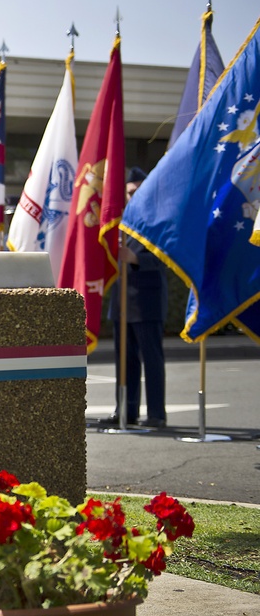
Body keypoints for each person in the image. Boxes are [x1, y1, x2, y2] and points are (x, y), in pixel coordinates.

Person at [101, 167, 168, 428]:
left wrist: (137, 258)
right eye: (130, 192)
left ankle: (156, 414)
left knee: (151, 360)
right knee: (124, 361)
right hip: (122, 301)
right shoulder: (119, 221)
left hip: (147, 301)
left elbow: (165, 259)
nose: (134, 195)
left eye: (139, 190)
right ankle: (126, 411)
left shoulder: (158, 220)